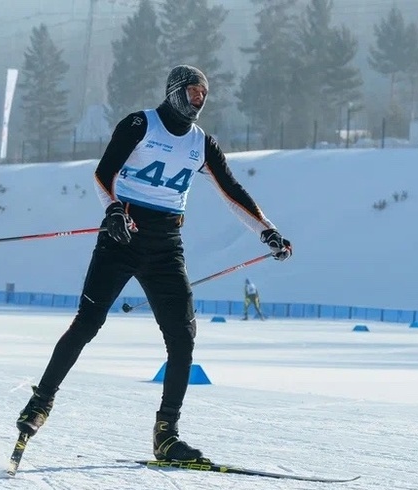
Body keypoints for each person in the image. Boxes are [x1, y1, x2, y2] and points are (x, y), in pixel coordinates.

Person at [15, 65, 292, 462]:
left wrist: (268, 231)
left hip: (166, 247)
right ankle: (40, 403)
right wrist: (112, 210)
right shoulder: (139, 124)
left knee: (183, 338)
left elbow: (233, 191)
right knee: (87, 324)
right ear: (176, 91)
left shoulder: (202, 144)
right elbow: (103, 174)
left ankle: (167, 435)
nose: (198, 101)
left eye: (203, 95)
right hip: (121, 237)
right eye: (193, 93)